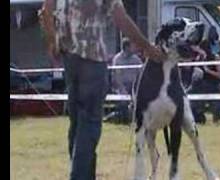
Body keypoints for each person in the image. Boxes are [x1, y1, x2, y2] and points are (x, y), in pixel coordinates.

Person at [39, 0, 165, 180]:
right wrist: (148, 48)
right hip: (93, 59)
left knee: (78, 125)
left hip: (70, 59)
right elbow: (122, 20)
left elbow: (46, 11)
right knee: (89, 124)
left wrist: (53, 41)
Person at [108, 38, 142, 122]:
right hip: (121, 86)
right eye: (132, 46)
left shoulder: (136, 59)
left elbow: (142, 72)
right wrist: (122, 89)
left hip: (134, 86)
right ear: (127, 47)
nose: (134, 47)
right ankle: (117, 117)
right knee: (123, 102)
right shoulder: (118, 59)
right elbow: (116, 77)